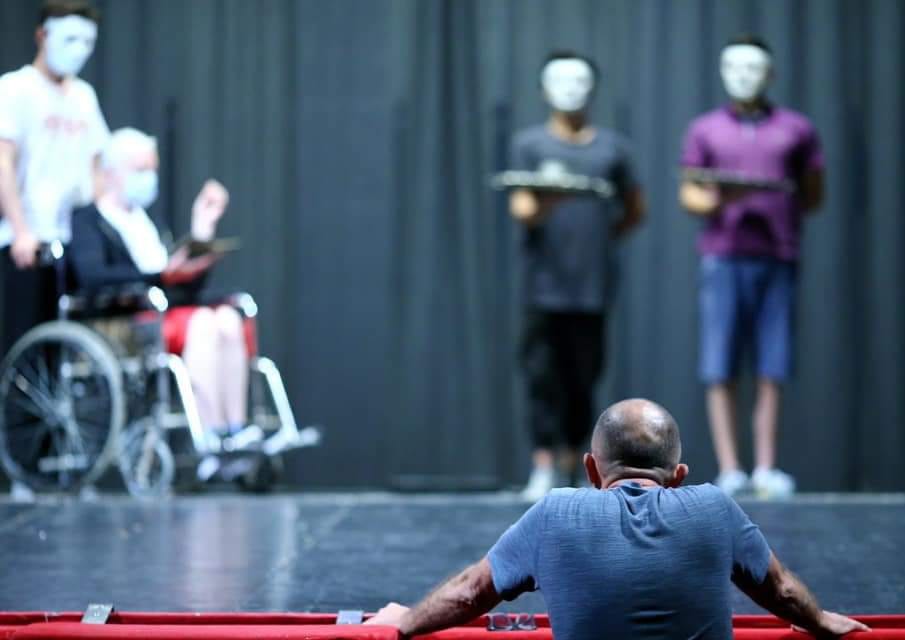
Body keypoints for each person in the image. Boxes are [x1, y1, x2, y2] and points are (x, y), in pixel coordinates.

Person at [365, 399, 868, 640]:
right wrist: (821, 621)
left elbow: (469, 592)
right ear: (679, 476)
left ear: (591, 470)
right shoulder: (715, 507)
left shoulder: (555, 512)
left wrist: (402, 623)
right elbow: (781, 591)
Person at [679, 35, 825, 498]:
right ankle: (730, 468)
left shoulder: (797, 128)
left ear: (770, 74)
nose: (743, 76)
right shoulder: (705, 129)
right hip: (723, 256)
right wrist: (722, 198)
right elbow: (689, 192)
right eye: (734, 67)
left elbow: (814, 192)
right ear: (723, 72)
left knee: (772, 364)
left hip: (778, 255)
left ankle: (765, 467)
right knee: (719, 363)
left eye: (753, 68)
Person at [67, 127, 250, 477]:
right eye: (140, 170)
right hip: (122, 322)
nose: (148, 178)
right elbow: (93, 277)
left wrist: (201, 234)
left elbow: (180, 288)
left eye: (152, 169)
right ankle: (210, 437)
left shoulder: (147, 222)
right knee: (202, 324)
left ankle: (235, 430)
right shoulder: (88, 221)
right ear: (112, 173)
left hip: (163, 311)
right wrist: (158, 276)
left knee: (227, 318)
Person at [510, 51, 645, 501]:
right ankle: (542, 466)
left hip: (592, 284)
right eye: (560, 81)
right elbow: (522, 209)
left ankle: (573, 465)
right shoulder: (530, 144)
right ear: (543, 90)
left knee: (583, 379)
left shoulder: (613, 148)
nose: (570, 90)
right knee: (541, 377)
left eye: (579, 80)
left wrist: (603, 237)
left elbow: (635, 208)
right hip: (543, 284)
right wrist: (549, 202)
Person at [0, 0, 108, 501]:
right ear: (43, 35)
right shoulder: (15, 89)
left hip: (71, 246)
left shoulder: (83, 98)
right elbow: (4, 160)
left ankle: (63, 466)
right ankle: (24, 469)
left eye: (87, 42)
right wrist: (21, 229)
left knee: (66, 356)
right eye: (69, 39)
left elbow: (96, 171)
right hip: (25, 243)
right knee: (24, 357)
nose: (79, 51)